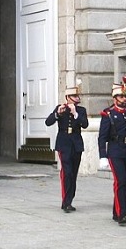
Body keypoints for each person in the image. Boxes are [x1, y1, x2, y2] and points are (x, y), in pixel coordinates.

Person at [97, 81, 126, 225]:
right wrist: (103, 156)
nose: (124, 99)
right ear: (115, 99)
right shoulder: (108, 114)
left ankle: (117, 210)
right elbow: (102, 137)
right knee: (120, 181)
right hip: (115, 151)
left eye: (125, 96)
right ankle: (121, 213)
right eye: (121, 96)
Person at [45, 83, 88, 213]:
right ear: (68, 97)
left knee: (73, 173)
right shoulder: (60, 108)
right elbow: (48, 122)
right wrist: (57, 114)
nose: (77, 98)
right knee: (67, 172)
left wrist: (75, 114)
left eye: (77, 95)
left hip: (76, 143)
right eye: (74, 96)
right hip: (64, 143)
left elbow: (85, 124)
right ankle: (66, 201)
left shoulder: (81, 110)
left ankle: (70, 199)